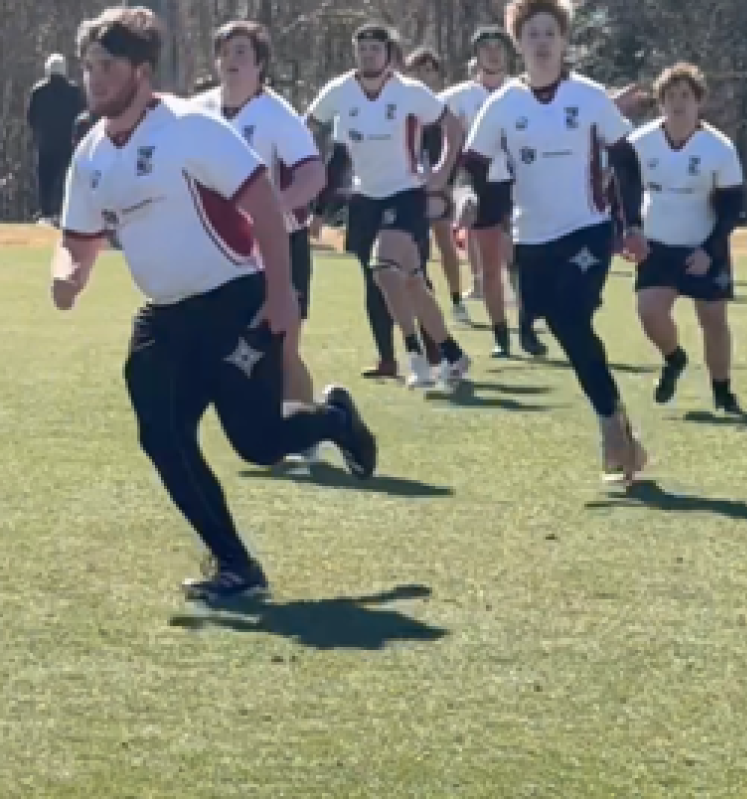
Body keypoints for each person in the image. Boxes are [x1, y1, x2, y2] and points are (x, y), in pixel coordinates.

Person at [54, 7, 378, 602]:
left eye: (108, 66)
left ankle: (334, 419)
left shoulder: (189, 128)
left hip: (235, 302)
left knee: (255, 442)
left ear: (142, 71)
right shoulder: (92, 153)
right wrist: (69, 275)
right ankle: (236, 566)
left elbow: (263, 207)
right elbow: (78, 239)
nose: (94, 78)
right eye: (87, 67)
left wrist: (280, 295)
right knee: (161, 434)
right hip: (165, 317)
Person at [464, 0, 647, 481]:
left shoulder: (588, 97)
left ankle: (609, 424)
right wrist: (479, 207)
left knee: (571, 316)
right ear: (518, 44)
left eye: (550, 33)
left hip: (588, 227)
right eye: (532, 35)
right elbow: (477, 163)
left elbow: (625, 161)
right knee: (562, 327)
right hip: (531, 237)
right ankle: (619, 421)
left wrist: (631, 226)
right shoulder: (502, 104)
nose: (542, 42)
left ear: (564, 41)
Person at [305, 23, 472, 389]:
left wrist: (442, 174)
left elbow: (453, 129)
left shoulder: (410, 92)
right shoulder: (339, 92)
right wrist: (312, 192)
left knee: (386, 268)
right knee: (397, 281)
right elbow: (311, 131)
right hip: (365, 198)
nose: (367, 55)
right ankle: (447, 354)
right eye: (361, 48)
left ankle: (419, 357)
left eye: (375, 49)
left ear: (388, 54)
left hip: (406, 194)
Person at [194, 20, 327, 464]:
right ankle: (273, 431)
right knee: (225, 347)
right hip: (223, 253)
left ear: (260, 64)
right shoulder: (199, 111)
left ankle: (308, 434)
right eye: (226, 53)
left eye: (242, 54)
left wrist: (270, 210)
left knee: (283, 347)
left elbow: (314, 175)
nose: (232, 62)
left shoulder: (276, 115)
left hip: (279, 247)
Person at [626, 62, 745, 413]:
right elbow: (624, 192)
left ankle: (722, 392)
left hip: (704, 245)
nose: (678, 103)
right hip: (657, 244)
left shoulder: (719, 148)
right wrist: (631, 230)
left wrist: (710, 250)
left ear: (699, 102)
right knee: (649, 313)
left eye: (685, 96)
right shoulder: (640, 144)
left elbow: (732, 208)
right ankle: (674, 358)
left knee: (713, 320)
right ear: (660, 102)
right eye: (670, 96)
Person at [442, 27, 538, 357]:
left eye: (499, 47)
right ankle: (501, 335)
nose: (493, 54)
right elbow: (421, 121)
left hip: (520, 182)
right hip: (480, 185)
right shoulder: (457, 97)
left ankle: (527, 325)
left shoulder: (524, 92)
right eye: (486, 48)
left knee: (521, 260)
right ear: (476, 55)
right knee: (490, 266)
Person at [404, 48, 472, 326]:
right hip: (408, 185)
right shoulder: (402, 108)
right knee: (414, 247)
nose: (423, 76)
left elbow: (455, 148)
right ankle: (424, 299)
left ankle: (457, 301)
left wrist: (445, 180)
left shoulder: (443, 111)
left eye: (429, 70)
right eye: (418, 70)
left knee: (445, 242)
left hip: (439, 183)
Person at [27, 54, 87, 225]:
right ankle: (63, 213)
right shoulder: (74, 91)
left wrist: (39, 133)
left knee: (45, 178)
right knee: (66, 179)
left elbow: (31, 117)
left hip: (45, 143)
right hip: (68, 144)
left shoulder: (38, 92)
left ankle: (46, 214)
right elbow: (82, 116)